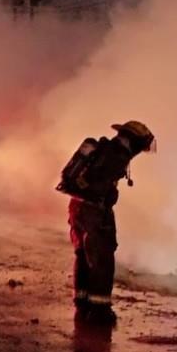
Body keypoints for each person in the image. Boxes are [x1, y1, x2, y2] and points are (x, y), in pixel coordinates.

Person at [56, 120, 156, 324]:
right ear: (134, 141)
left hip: (77, 207)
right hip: (95, 211)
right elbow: (100, 185)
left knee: (82, 255)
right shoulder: (116, 155)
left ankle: (82, 301)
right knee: (102, 259)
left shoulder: (102, 148)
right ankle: (99, 309)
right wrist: (109, 196)